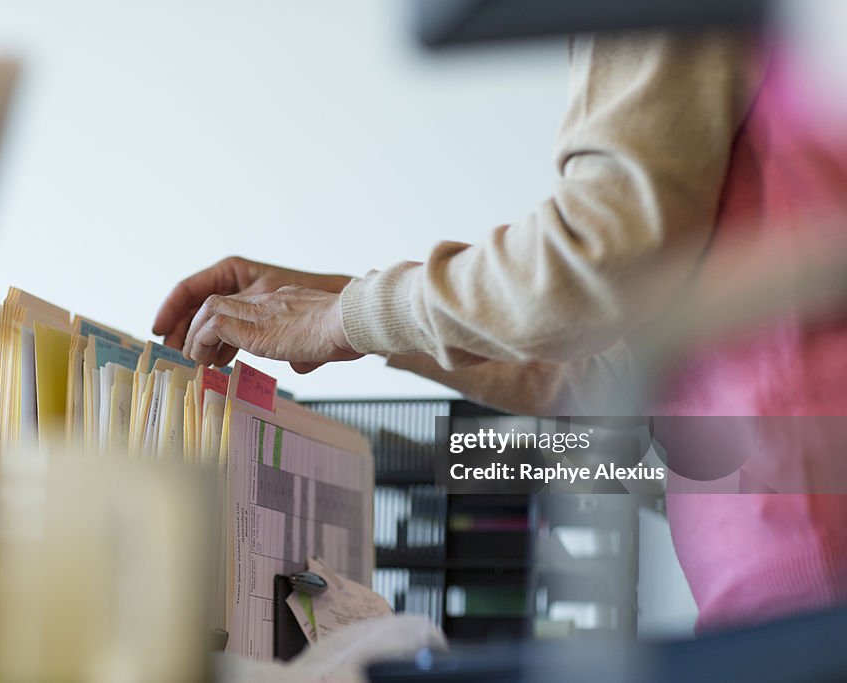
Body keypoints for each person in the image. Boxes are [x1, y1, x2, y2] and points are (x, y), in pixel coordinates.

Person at [154, 30, 847, 633]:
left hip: (807, 559)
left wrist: (348, 317)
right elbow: (599, 360)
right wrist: (339, 308)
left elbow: (593, 264)